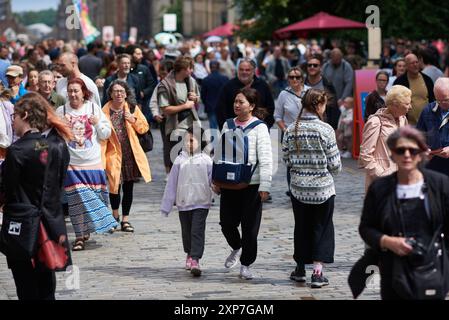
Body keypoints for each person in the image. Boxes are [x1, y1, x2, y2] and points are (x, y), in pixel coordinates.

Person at [359, 126, 449, 300]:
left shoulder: (440, 185)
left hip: (432, 269)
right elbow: (366, 227)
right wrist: (387, 241)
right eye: (401, 150)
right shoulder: (380, 188)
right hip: (394, 270)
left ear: (422, 153)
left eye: (413, 150)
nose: (407, 155)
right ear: (392, 154)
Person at [0, 93, 72, 300]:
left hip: (23, 224)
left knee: (26, 287)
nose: (12, 120)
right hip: (51, 223)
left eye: (14, 115)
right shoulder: (58, 146)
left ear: (25, 114)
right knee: (47, 286)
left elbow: (8, 190)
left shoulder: (17, 150)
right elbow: (59, 184)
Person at [282, 89, 341, 288]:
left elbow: (286, 159)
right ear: (318, 106)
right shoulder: (326, 130)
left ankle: (299, 268)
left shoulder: (291, 129)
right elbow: (335, 165)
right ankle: (317, 272)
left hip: (298, 189)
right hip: (322, 189)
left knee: (301, 227)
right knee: (322, 228)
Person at [56, 78, 117, 251]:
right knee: (76, 201)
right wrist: (62, 125)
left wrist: (97, 123)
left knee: (94, 199)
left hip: (92, 162)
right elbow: (54, 137)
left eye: (76, 91)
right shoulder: (61, 110)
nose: (73, 94)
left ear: (84, 92)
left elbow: (105, 134)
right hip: (72, 163)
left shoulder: (93, 108)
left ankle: (87, 229)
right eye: (70, 91)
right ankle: (79, 236)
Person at [218, 87, 272, 280]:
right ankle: (236, 247)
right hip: (229, 183)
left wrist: (265, 186)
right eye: (235, 102)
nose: (237, 105)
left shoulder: (260, 127)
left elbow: (266, 158)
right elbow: (220, 154)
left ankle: (246, 264)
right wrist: (215, 180)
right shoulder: (227, 125)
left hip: (252, 184)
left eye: (241, 102)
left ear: (251, 106)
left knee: (250, 228)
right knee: (226, 223)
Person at [161, 127, 214, 277]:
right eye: (185, 141)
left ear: (200, 141)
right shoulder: (179, 160)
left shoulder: (207, 160)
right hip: (183, 203)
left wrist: (218, 190)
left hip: (201, 202)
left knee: (197, 231)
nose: (188, 144)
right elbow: (171, 184)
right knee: (187, 232)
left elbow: (213, 181)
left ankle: (195, 259)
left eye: (191, 140)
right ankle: (189, 254)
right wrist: (167, 206)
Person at [102, 80, 152, 232]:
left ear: (126, 94)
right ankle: (114, 216)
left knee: (128, 187)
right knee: (114, 186)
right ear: (110, 94)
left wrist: (133, 119)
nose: (118, 94)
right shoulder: (103, 111)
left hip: (130, 153)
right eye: (115, 91)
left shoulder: (132, 108)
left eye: (121, 91)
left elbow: (144, 128)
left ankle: (125, 219)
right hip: (112, 153)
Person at [359, 85, 412, 190]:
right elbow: (365, 154)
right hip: (381, 181)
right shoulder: (375, 122)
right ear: (395, 105)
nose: (410, 107)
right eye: (407, 104)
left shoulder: (403, 119)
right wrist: (381, 175)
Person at [157, 56, 201, 168]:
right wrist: (185, 106)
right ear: (184, 69)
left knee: (194, 156)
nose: (192, 71)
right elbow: (165, 109)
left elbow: (198, 98)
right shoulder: (165, 85)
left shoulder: (191, 81)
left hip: (192, 124)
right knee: (177, 158)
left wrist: (195, 98)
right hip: (175, 126)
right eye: (190, 68)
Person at [274, 67, 308, 196]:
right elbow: (277, 116)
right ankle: (292, 189)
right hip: (289, 133)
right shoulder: (283, 94)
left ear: (302, 78)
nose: (294, 79)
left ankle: (305, 185)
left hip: (307, 133)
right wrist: (285, 129)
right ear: (288, 79)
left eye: (297, 77)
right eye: (291, 77)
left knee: (306, 160)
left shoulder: (309, 92)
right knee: (291, 162)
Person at [216, 58, 275, 130]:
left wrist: (266, 125)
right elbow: (220, 109)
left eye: (247, 70)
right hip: (233, 131)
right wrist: (226, 129)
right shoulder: (228, 86)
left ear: (253, 71)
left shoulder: (263, 85)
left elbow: (270, 107)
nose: (244, 72)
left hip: (259, 129)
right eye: (241, 69)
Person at [416, 77, 449, 176]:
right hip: (432, 168)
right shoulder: (428, 110)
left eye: (446, 100)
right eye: (438, 100)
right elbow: (418, 136)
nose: (442, 104)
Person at [393, 53, 435, 125]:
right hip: (407, 125)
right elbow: (395, 103)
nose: (415, 65)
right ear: (406, 66)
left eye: (416, 62)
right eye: (412, 63)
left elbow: (433, 101)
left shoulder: (427, 80)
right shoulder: (400, 82)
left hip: (426, 124)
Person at [304, 53, 340, 130]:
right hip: (304, 127)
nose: (312, 67)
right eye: (309, 65)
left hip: (323, 127)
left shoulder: (327, 85)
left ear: (320, 68)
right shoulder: (302, 84)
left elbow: (334, 108)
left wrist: (333, 128)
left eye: (315, 65)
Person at [322, 48, 354, 119]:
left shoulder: (346, 66)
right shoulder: (325, 66)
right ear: (331, 57)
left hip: (341, 100)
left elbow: (349, 83)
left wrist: (343, 98)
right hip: (327, 100)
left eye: (338, 58)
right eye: (335, 58)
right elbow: (322, 81)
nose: (336, 60)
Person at [200, 60, 228, 131]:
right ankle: (224, 142)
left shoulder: (206, 80)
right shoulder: (225, 79)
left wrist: (206, 103)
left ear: (210, 67)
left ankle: (215, 142)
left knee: (213, 129)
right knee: (223, 128)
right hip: (223, 106)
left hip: (211, 106)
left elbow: (203, 96)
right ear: (218, 68)